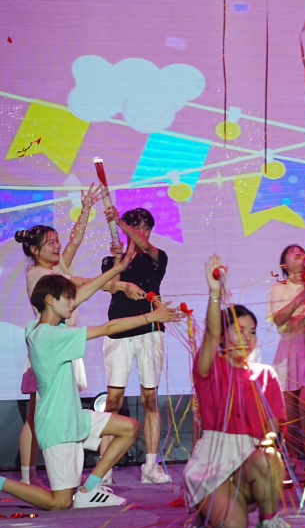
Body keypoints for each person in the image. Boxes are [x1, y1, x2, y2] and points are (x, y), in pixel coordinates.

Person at [0, 248, 179, 511]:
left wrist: (116, 272)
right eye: (67, 299)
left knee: (129, 428)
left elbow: (82, 294)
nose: (73, 304)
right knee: (60, 503)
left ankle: (88, 490)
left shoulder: (37, 328)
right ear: (50, 300)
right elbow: (108, 328)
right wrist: (151, 317)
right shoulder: (53, 337)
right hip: (59, 427)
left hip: (75, 417)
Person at [14, 188, 144, 486]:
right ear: (34, 250)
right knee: (34, 416)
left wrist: (86, 209)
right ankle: (28, 478)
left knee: (50, 412)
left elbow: (75, 241)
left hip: (64, 345)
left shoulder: (55, 267)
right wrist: (119, 283)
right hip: (50, 349)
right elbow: (80, 285)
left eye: (56, 240)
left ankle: (61, 474)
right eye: (50, 243)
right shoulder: (38, 275)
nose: (57, 246)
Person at [183, 255, 292, 528]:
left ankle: (268, 522)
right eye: (239, 331)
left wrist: (269, 441)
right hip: (212, 460)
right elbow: (210, 333)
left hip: (250, 461)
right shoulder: (211, 368)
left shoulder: (266, 374)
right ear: (223, 336)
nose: (247, 337)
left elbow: (273, 424)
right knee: (233, 527)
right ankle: (206, 521)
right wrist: (215, 294)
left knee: (268, 458)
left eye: (252, 332)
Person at [99, 206, 171, 484]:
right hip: (118, 331)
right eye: (137, 226)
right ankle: (104, 470)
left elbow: (143, 244)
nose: (143, 232)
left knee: (149, 399)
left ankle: (150, 466)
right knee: (113, 401)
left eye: (146, 227)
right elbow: (110, 286)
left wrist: (119, 221)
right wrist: (119, 260)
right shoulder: (111, 260)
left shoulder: (157, 257)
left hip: (150, 331)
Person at [267, 244, 305, 469]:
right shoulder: (280, 288)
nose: (298, 252)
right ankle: (293, 460)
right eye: (291, 251)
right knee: (291, 414)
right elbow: (280, 319)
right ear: (284, 264)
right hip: (289, 350)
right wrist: (303, 296)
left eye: (301, 250)